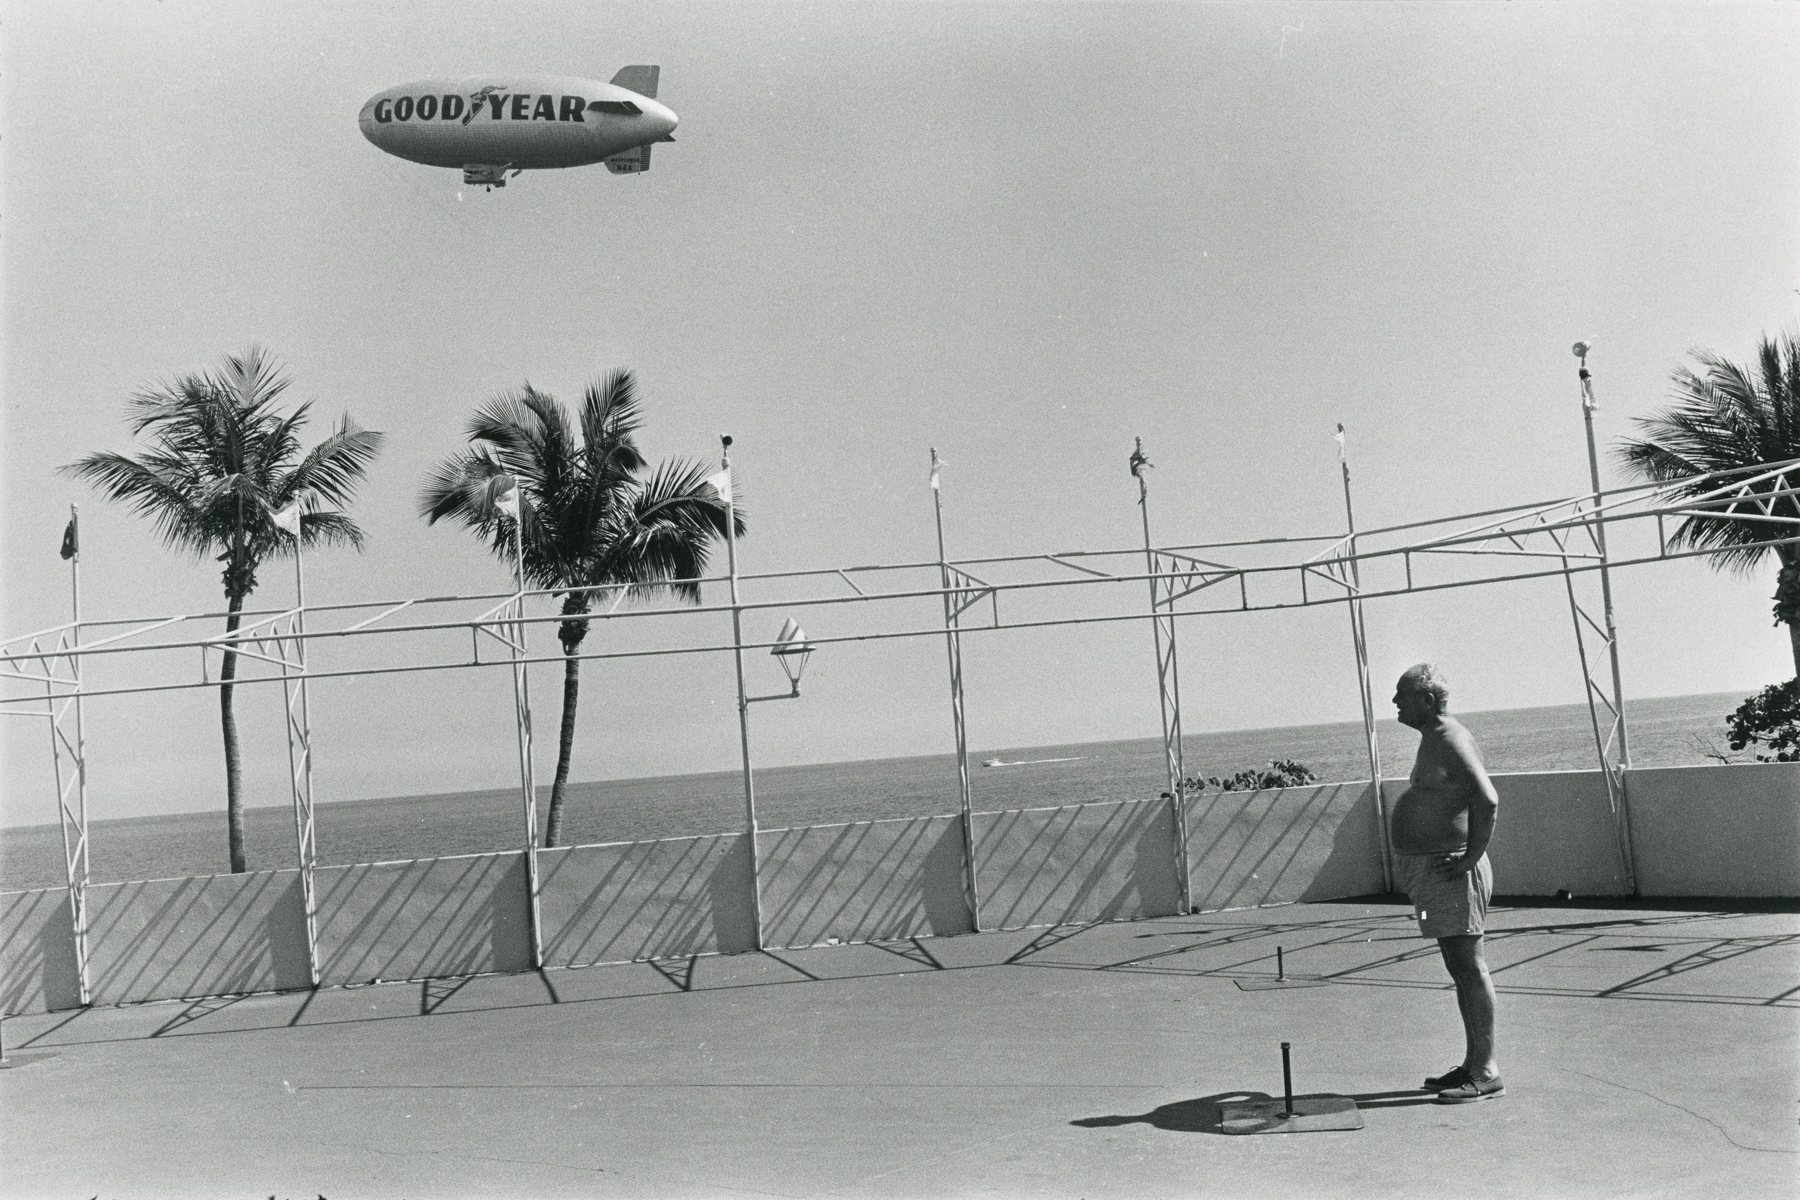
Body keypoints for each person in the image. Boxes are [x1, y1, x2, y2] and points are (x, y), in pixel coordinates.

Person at [1388, 663, 1504, 1103]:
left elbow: (1487, 798)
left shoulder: (1450, 739)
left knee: (1470, 967)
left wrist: (1471, 858)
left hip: (1450, 871)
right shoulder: (1433, 740)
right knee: (1458, 968)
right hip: (1432, 875)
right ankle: (1473, 1064)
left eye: (1402, 694)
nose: (1395, 702)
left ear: (1428, 700)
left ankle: (1487, 1070)